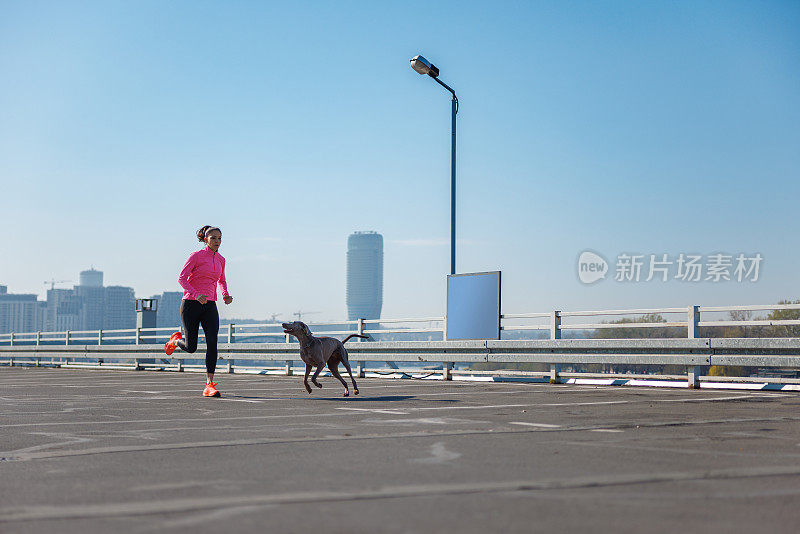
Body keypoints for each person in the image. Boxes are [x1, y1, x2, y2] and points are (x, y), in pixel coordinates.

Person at [165, 225, 233, 397]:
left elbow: (222, 281)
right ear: (205, 239)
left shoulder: (221, 260)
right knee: (191, 347)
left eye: (219, 238)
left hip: (210, 305)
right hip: (190, 304)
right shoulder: (196, 256)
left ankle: (209, 384)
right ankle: (174, 342)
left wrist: (225, 295)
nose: (217, 241)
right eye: (213, 238)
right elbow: (181, 278)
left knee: (212, 342)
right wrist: (196, 295)